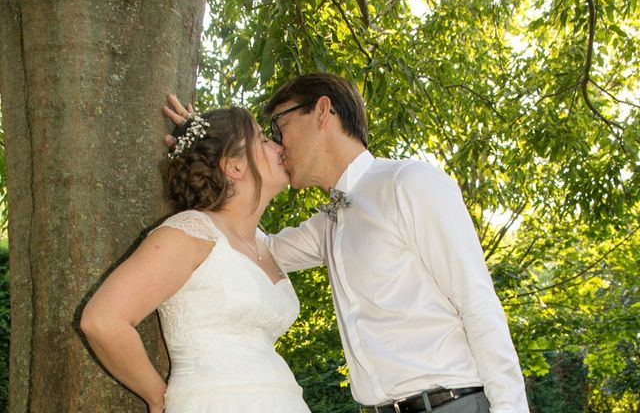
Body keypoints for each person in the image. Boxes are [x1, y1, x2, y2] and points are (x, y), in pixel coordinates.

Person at [164, 73, 530, 413]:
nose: (277, 142)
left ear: (323, 111)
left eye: (280, 125)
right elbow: (248, 249)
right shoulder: (329, 223)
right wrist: (207, 154)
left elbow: (478, 302)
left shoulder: (409, 183)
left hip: (453, 405)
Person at [81, 107, 311, 413]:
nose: (279, 146)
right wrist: (157, 396)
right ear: (234, 166)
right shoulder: (189, 232)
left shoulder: (265, 244)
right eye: (263, 139)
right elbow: (102, 321)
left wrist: (203, 134)